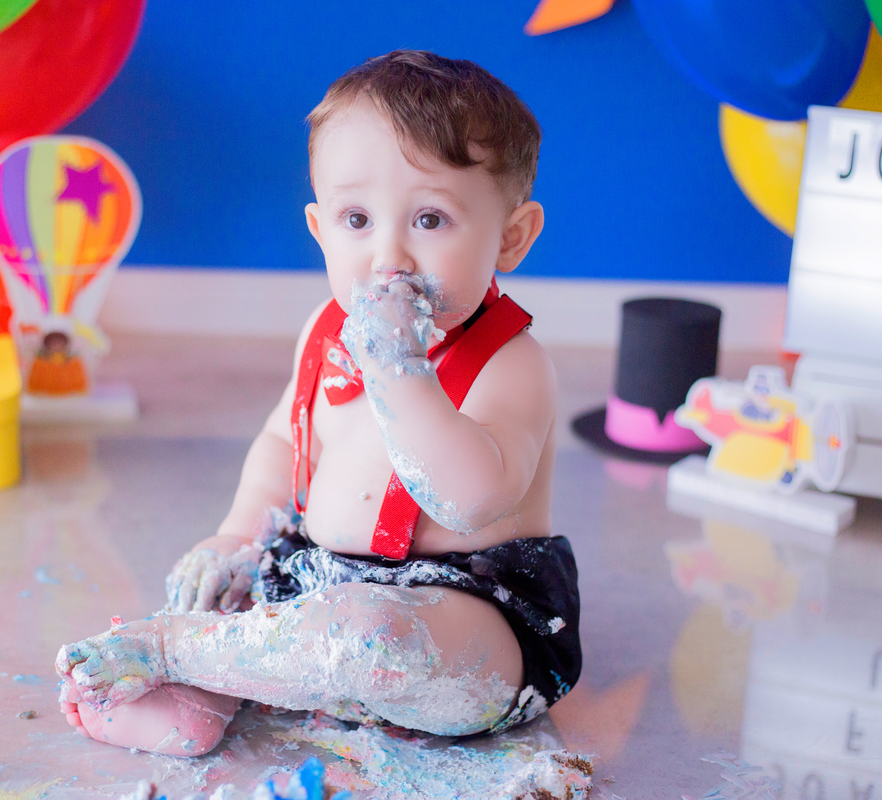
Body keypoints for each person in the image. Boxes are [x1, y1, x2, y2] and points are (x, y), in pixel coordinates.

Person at [55, 50, 581, 757]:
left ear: (510, 237)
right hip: (312, 576)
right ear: (320, 230)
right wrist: (238, 535)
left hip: (466, 613)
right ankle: (197, 691)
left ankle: (181, 652)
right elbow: (284, 443)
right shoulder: (324, 330)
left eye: (430, 220)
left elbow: (471, 500)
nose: (388, 255)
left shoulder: (513, 364)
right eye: (357, 219)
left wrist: (401, 373)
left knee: (370, 635)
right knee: (258, 608)